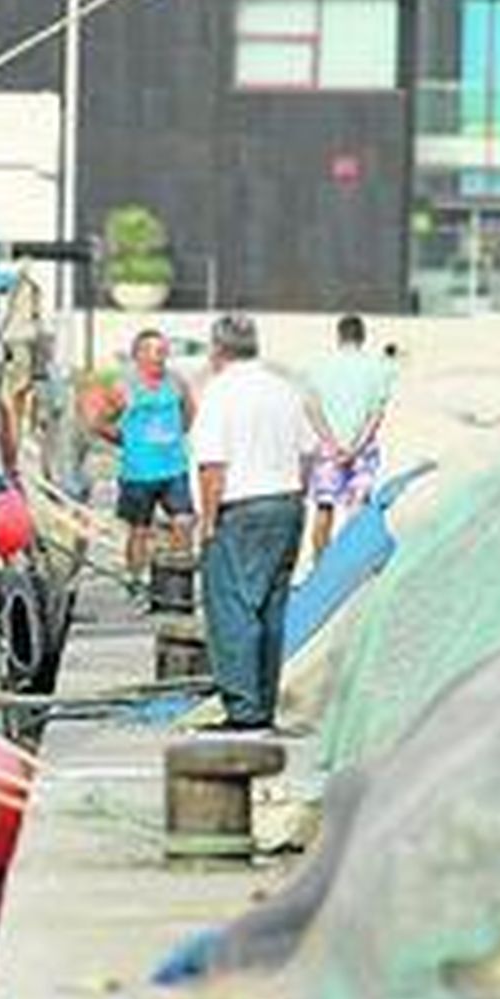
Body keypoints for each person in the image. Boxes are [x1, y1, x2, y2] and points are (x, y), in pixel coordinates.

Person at [193, 314, 313, 732]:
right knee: (271, 608)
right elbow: (307, 454)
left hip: (240, 508)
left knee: (233, 609)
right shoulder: (285, 389)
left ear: (217, 349)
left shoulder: (219, 393)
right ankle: (263, 706)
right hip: (287, 503)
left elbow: (212, 464)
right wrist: (297, 496)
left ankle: (243, 710)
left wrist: (207, 523)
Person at [96, 329, 196, 586]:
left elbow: (189, 414)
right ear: (138, 355)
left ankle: (177, 580)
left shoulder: (177, 382)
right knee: (140, 530)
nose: (159, 357)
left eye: (162, 351)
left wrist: (174, 436)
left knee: (184, 521)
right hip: (138, 472)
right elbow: (100, 423)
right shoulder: (123, 387)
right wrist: (126, 442)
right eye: (152, 351)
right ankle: (135, 579)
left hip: (174, 468)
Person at [306, 315, 396, 560]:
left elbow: (312, 409)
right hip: (363, 449)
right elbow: (376, 416)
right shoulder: (377, 369)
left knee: (324, 508)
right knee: (357, 508)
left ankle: (319, 566)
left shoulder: (320, 367)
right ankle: (352, 561)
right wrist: (355, 448)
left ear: (339, 336)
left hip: (328, 450)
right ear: (362, 337)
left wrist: (332, 444)